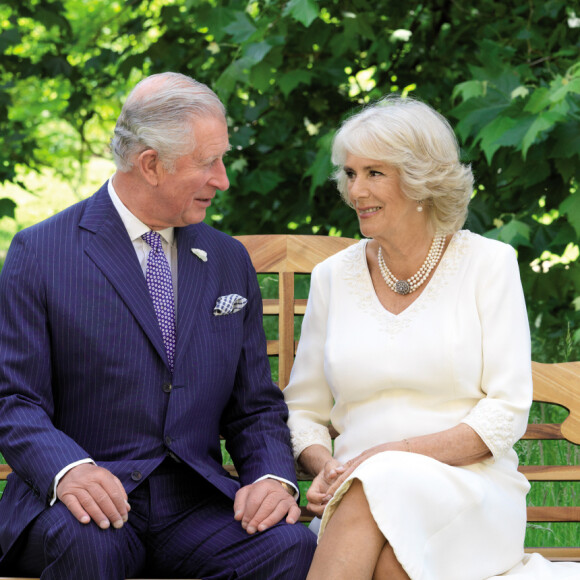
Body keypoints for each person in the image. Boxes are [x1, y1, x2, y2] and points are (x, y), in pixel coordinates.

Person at [0, 72, 316, 579]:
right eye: (208, 162)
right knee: (90, 545)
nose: (223, 179)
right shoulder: (40, 253)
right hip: (87, 500)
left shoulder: (226, 259)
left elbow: (254, 405)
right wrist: (69, 470)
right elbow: (15, 399)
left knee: (287, 546)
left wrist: (273, 479)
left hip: (193, 505)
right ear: (150, 164)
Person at [283, 96, 580, 579]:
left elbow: (505, 414)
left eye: (374, 173)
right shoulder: (332, 276)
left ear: (422, 180)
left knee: (376, 489)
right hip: (358, 499)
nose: (356, 190)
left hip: (468, 492)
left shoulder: (489, 264)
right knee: (385, 548)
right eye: (350, 173)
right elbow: (303, 410)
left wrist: (385, 457)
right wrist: (327, 467)